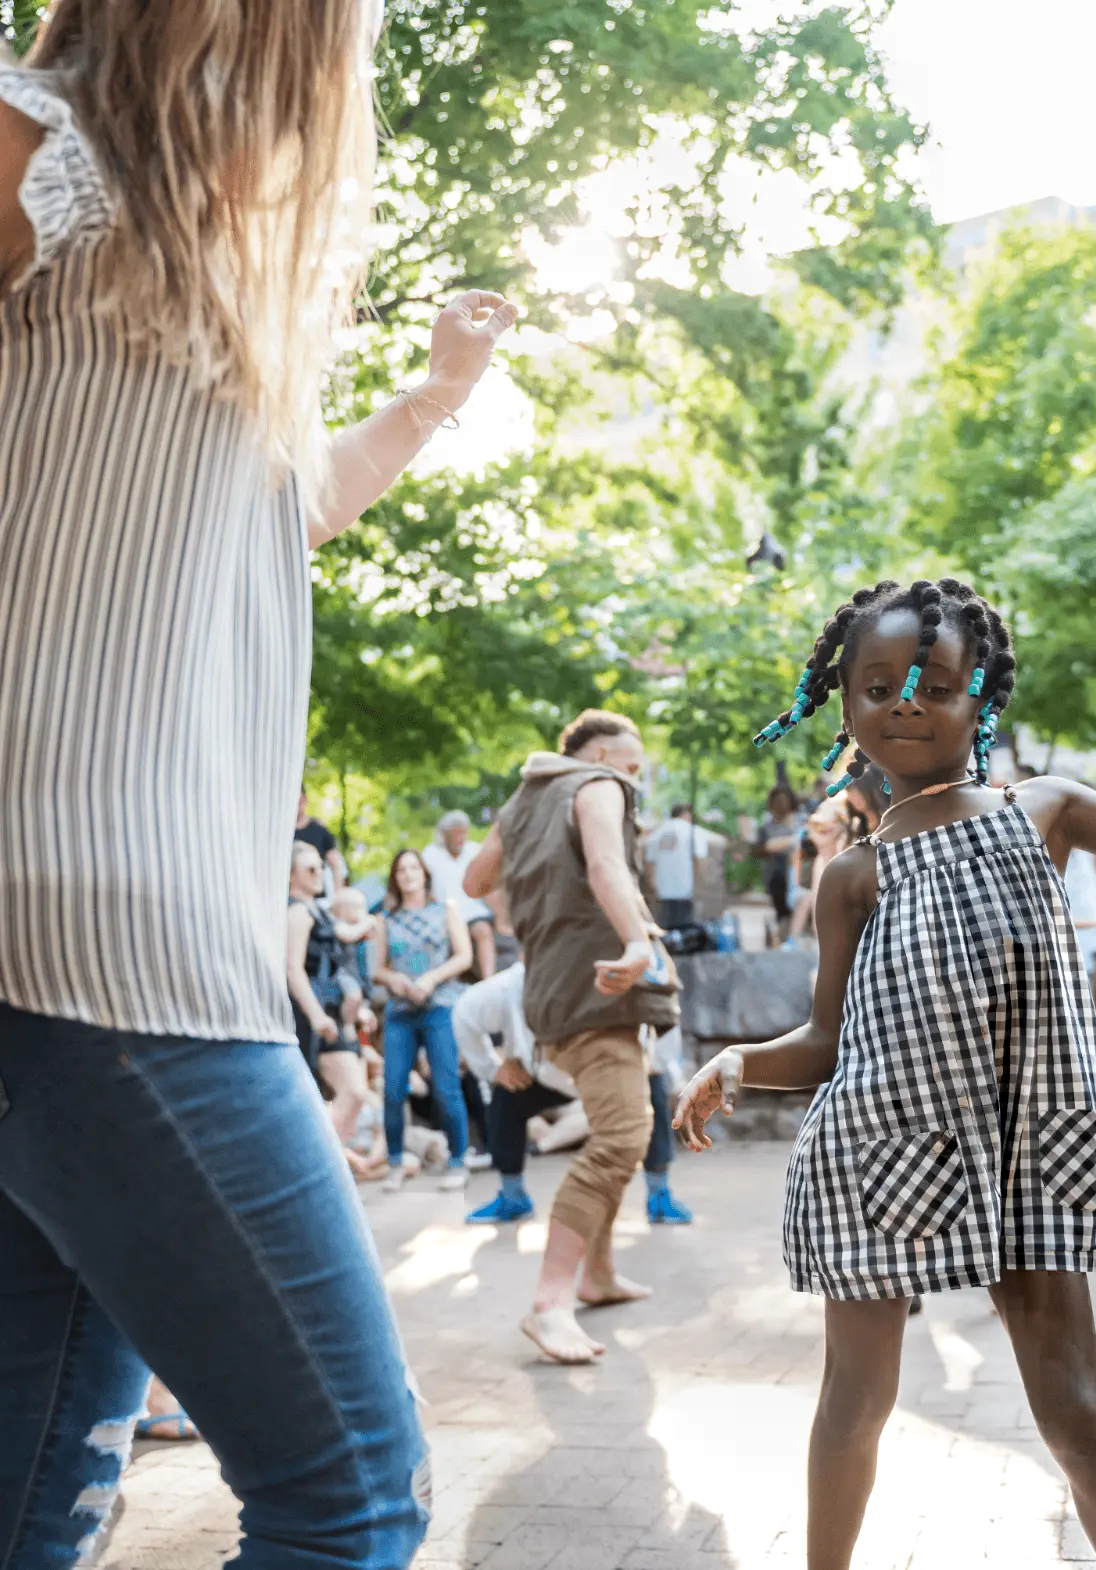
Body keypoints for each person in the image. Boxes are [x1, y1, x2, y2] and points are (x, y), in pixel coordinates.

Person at [0, 4, 518, 1560]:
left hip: (114, 945)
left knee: (37, 1497)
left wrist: (434, 396)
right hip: (107, 944)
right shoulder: (35, 140)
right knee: (349, 1492)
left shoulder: (186, 241)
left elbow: (278, 506)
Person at [675, 577, 1096, 1570]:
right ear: (847, 705)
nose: (904, 701)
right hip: (878, 1152)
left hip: (1027, 1148)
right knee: (854, 1402)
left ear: (977, 698)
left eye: (933, 684)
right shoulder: (850, 876)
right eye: (876, 685)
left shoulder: (1047, 812)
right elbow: (824, 1040)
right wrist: (737, 1058)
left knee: (1076, 1410)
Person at [464, 710, 680, 1364]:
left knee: (623, 1120)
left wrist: (539, 923)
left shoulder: (524, 801)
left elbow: (476, 882)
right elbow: (607, 867)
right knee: (621, 1136)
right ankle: (550, 1303)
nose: (634, 779)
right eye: (633, 767)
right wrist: (639, 938)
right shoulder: (598, 784)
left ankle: (599, 1273)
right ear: (606, 755)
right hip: (601, 988)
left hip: (552, 991)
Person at [373, 850, 473, 1193]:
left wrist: (431, 979)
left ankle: (458, 1161)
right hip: (401, 1011)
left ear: (425, 873)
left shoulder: (445, 910)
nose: (408, 874)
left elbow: (464, 956)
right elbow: (376, 969)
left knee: (446, 1086)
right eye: (401, 870)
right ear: (395, 878)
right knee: (393, 1087)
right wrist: (396, 981)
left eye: (414, 867)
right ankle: (396, 1162)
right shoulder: (385, 919)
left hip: (439, 1006)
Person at [422, 811, 497, 979]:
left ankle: (489, 979)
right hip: (443, 915)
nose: (460, 837)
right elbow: (425, 888)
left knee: (483, 930)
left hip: (473, 912)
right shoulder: (431, 854)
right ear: (444, 835)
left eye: (463, 832)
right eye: (455, 833)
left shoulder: (474, 851)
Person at [645, 803, 710, 930]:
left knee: (664, 928)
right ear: (686, 814)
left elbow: (649, 864)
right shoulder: (693, 832)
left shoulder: (657, 833)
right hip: (684, 889)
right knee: (684, 928)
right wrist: (701, 885)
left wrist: (652, 885)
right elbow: (700, 861)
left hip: (662, 890)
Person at [755, 784, 802, 931]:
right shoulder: (765, 829)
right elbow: (762, 849)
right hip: (776, 875)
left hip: (798, 874)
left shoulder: (800, 824)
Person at [294, 791, 345, 895]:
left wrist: (338, 894)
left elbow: (335, 864)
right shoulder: (282, 833)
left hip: (317, 896)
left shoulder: (320, 831)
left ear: (305, 799)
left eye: (299, 800)